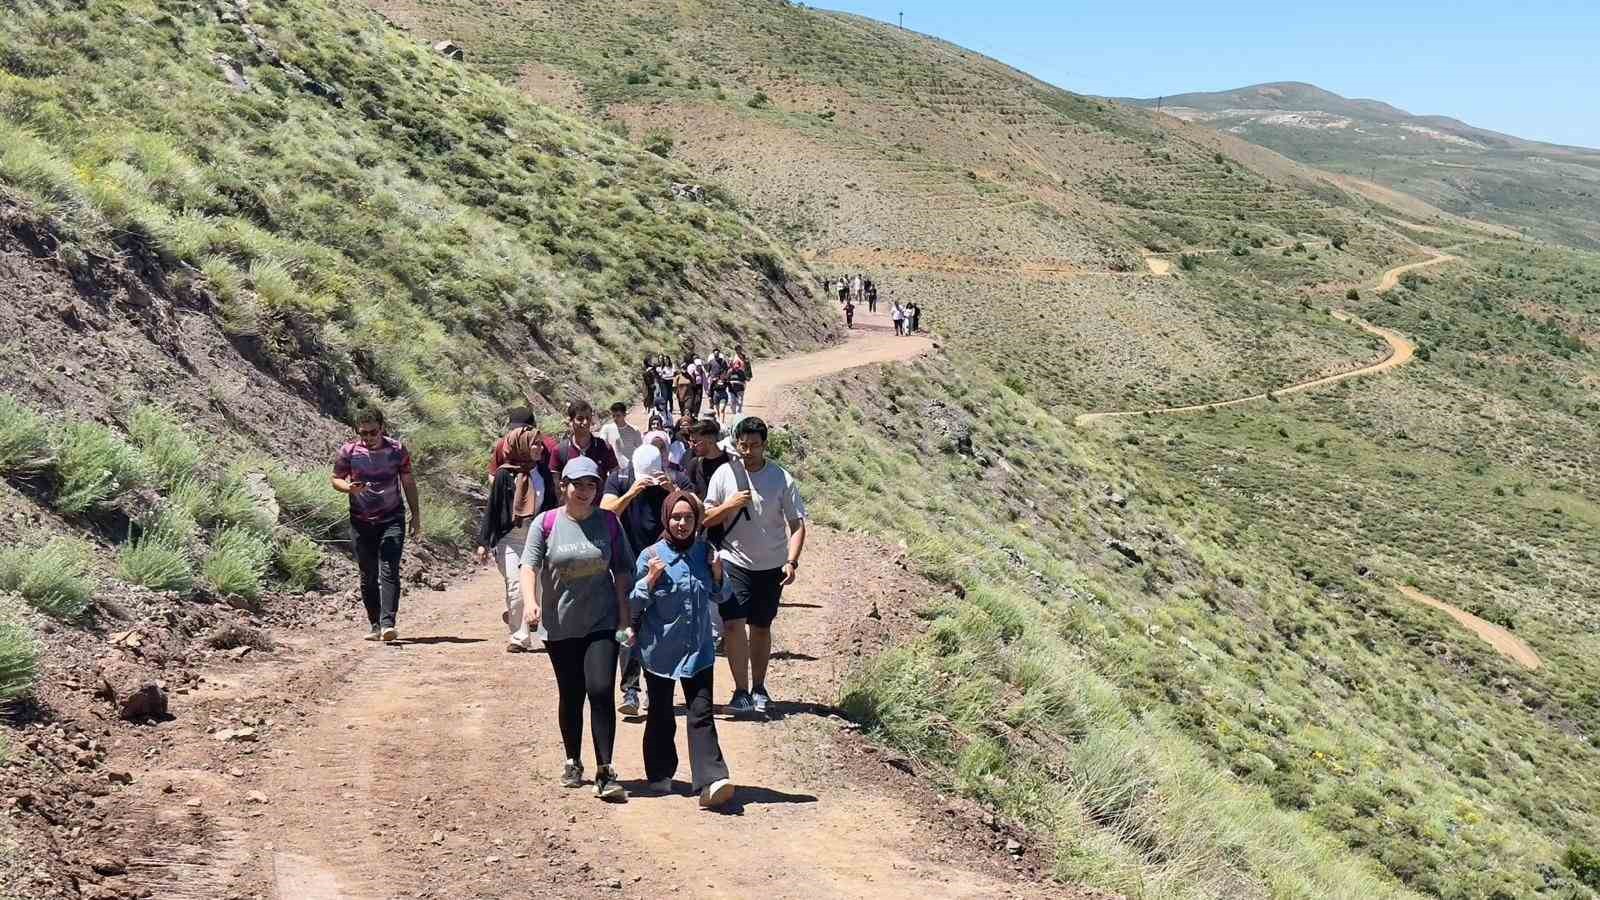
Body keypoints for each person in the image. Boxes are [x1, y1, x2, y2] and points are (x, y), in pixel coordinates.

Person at [520, 457, 634, 801]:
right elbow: (529, 564)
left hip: (602, 620)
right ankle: (573, 759)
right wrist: (530, 601)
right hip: (561, 623)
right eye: (578, 485)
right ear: (563, 486)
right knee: (571, 695)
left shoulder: (610, 523)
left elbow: (623, 571)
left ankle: (605, 769)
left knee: (600, 690)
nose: (585, 492)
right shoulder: (547, 522)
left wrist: (625, 617)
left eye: (591, 486)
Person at [631, 489, 735, 808]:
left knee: (701, 713)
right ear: (666, 518)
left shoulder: (706, 553)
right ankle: (660, 774)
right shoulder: (651, 555)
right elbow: (633, 603)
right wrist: (649, 580)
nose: (682, 523)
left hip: (699, 650)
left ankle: (712, 780)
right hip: (660, 651)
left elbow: (723, 596)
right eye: (676, 517)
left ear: (697, 521)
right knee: (661, 714)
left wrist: (718, 573)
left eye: (688, 517)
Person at [703, 417, 806, 716]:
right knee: (734, 625)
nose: (748, 451)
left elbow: (797, 525)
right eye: (743, 445)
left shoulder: (782, 479)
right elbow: (706, 519)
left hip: (771, 565)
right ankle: (741, 691)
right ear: (736, 443)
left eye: (754, 446)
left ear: (764, 445)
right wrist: (730, 505)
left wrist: (792, 561)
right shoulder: (724, 475)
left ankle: (759, 686)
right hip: (734, 561)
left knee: (761, 627)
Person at [604, 443, 690, 715]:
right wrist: (632, 492)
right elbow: (606, 514)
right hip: (627, 564)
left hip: (664, 564)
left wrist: (672, 493)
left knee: (662, 627)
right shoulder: (618, 478)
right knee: (627, 626)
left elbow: (695, 515)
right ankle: (630, 689)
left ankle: (657, 689)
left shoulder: (676, 479)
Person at [331, 405, 421, 643]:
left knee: (389, 568)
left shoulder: (397, 450)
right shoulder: (349, 451)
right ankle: (374, 624)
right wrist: (348, 488)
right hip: (361, 520)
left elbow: (408, 481)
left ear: (382, 428)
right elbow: (336, 479)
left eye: (373, 432)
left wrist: (416, 516)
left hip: (392, 517)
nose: (369, 437)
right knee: (367, 573)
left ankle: (388, 624)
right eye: (364, 433)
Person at [475, 422, 553, 652]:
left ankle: (536, 631)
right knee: (515, 585)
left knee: (537, 587)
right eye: (534, 444)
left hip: (537, 537)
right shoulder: (503, 475)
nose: (539, 448)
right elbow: (493, 508)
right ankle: (519, 636)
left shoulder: (544, 474)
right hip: (511, 538)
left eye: (540, 444)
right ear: (522, 446)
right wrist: (484, 542)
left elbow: (550, 508)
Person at [545, 400, 619, 504]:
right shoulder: (560, 450)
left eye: (588, 418)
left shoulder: (604, 447)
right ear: (570, 421)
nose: (585, 422)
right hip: (572, 510)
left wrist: (609, 502)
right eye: (580, 419)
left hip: (599, 509)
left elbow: (615, 476)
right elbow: (556, 485)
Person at [683, 418, 732, 500]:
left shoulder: (731, 462)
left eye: (695, 442)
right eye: (690, 442)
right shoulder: (694, 464)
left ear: (711, 440)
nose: (692, 446)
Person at [599, 402, 644, 481]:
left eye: (618, 416)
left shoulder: (634, 430)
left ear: (624, 415)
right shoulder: (606, 429)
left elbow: (640, 450)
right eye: (613, 416)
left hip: (631, 470)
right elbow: (602, 446)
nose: (615, 418)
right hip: (614, 470)